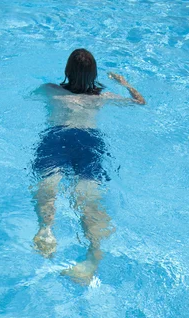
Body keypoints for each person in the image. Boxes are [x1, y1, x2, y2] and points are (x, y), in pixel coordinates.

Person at [31, 48, 145, 284]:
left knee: (48, 185)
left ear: (66, 71)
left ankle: (46, 229)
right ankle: (92, 256)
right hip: (88, 142)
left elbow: (29, 98)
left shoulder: (50, 90)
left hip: (56, 138)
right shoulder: (102, 97)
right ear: (93, 74)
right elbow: (139, 102)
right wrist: (124, 83)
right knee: (88, 198)